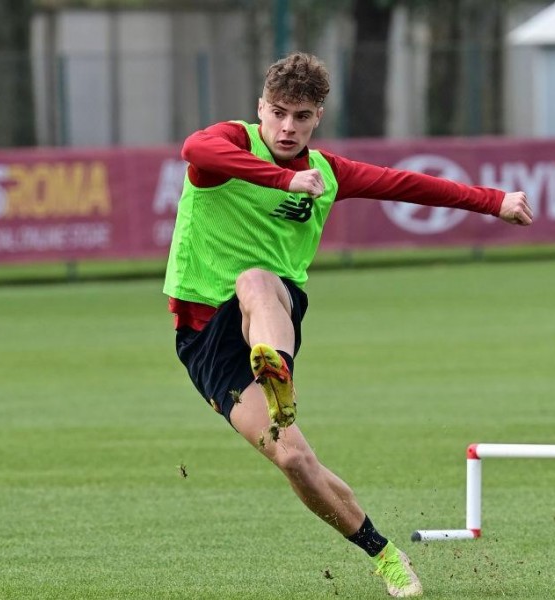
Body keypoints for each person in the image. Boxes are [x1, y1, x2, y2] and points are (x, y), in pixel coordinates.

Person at [163, 52, 533, 598]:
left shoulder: (330, 173)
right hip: (203, 337)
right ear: (261, 108)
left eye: (303, 116)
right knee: (294, 459)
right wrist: (284, 181)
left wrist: (493, 200)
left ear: (318, 118)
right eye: (280, 113)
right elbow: (194, 149)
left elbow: (409, 185)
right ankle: (384, 553)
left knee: (256, 280)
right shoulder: (231, 145)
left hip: (273, 311)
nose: (288, 127)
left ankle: (277, 373)